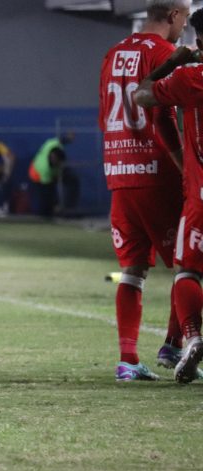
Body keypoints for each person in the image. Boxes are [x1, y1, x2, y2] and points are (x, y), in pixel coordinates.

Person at [99, 0, 189, 381]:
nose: (186, 26)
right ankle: (173, 344)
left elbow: (105, 114)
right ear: (174, 16)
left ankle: (128, 360)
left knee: (132, 270)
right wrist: (186, 167)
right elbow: (164, 116)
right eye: (185, 18)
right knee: (190, 266)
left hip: (120, 172)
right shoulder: (167, 54)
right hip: (158, 173)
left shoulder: (113, 53)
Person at [133, 10, 203, 383]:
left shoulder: (191, 79)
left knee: (188, 269)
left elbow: (141, 95)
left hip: (201, 196)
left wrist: (171, 63)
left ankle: (191, 337)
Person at [28, 133, 75, 218]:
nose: (55, 160)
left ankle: (68, 208)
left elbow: (58, 141)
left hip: (51, 173)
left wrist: (68, 138)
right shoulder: (45, 168)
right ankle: (45, 215)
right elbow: (49, 187)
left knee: (73, 180)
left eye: (57, 161)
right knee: (45, 196)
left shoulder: (51, 145)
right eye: (54, 160)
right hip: (36, 175)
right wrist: (56, 203)